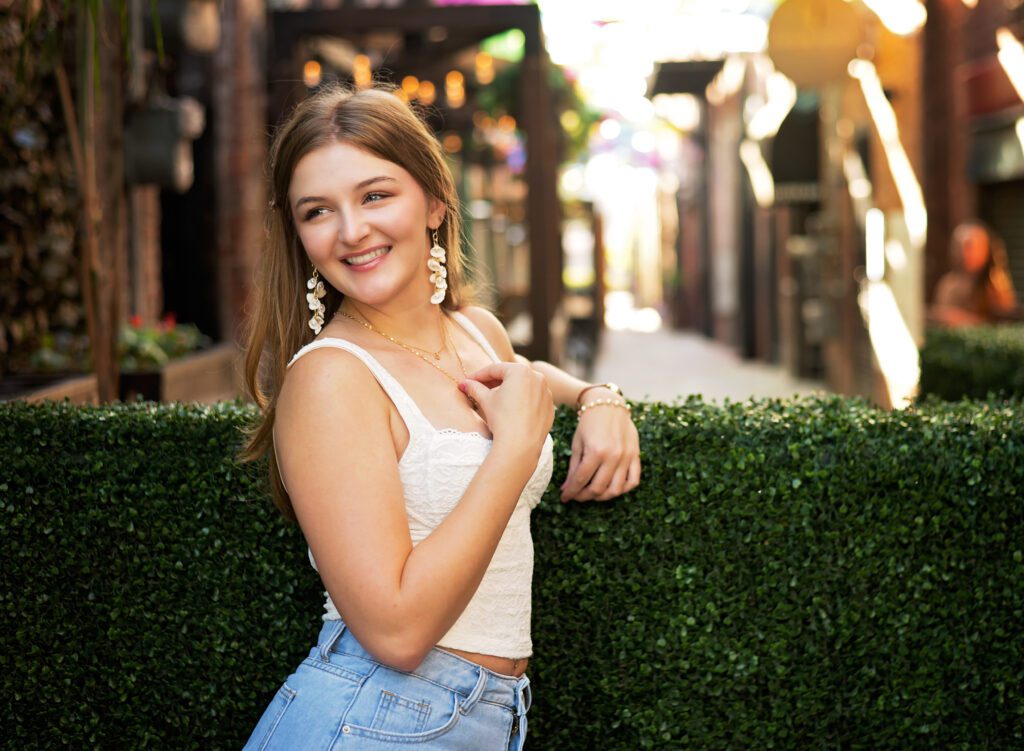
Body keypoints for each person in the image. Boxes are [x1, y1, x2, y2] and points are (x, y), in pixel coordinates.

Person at [238, 84, 641, 750]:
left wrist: (599, 397)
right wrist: (515, 449)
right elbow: (396, 632)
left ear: (434, 200)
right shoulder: (330, 377)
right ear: (299, 235)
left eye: (375, 195)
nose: (351, 230)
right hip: (374, 718)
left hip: (485, 716)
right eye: (318, 211)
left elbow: (529, 379)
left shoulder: (476, 333)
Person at [929, 222, 1020, 327]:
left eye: (970, 246)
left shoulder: (995, 285)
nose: (964, 252)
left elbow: (1003, 324)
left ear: (986, 249)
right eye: (959, 246)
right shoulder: (948, 284)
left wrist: (962, 319)